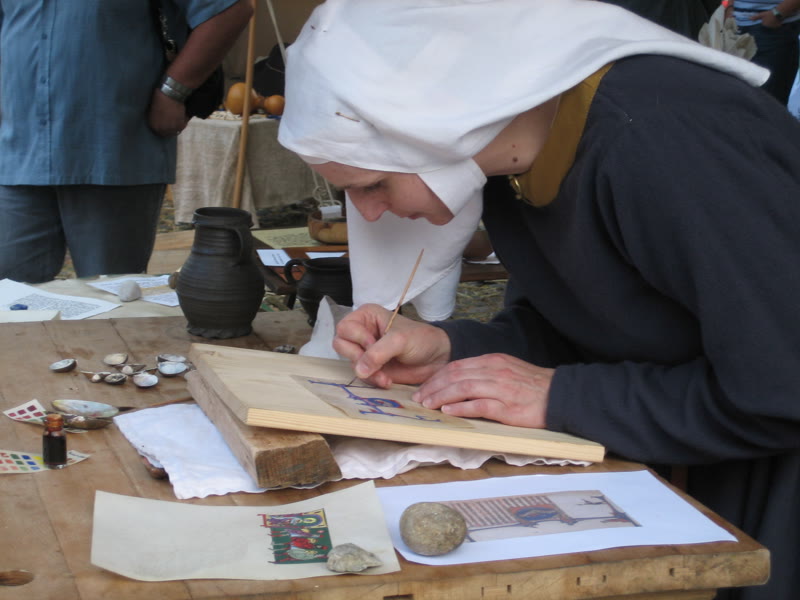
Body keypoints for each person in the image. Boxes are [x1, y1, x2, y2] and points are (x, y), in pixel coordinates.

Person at [277, 2, 800, 598]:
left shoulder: (664, 140)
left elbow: (782, 387)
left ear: (434, 130)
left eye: (374, 184)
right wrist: (453, 348)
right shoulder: (512, 156)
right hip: (699, 458)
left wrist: (565, 397)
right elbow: (593, 327)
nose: (368, 213)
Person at [0, 0, 253, 283]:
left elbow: (230, 11)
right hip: (17, 155)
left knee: (111, 293)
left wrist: (173, 90)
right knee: (7, 295)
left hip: (113, 154)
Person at [733, 0, 800, 103]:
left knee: (767, 100)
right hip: (737, 25)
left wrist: (777, 14)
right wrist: (728, 7)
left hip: (772, 29)